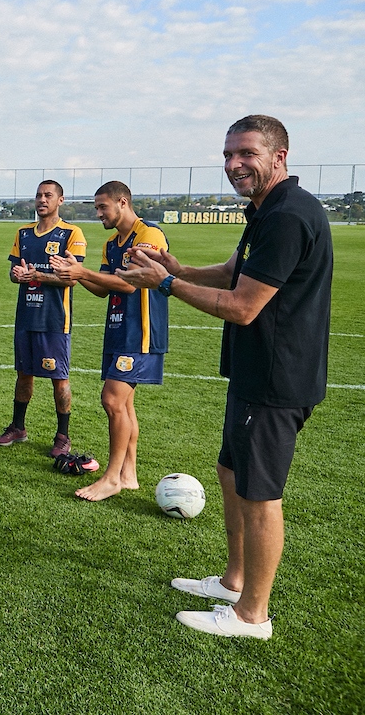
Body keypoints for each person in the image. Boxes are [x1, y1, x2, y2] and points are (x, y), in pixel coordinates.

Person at [119, 115, 332, 640]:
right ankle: (234, 583)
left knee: (260, 492)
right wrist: (178, 266)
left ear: (279, 156)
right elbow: (235, 269)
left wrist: (164, 282)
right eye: (228, 154)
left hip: (277, 378)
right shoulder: (265, 210)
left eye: (246, 154)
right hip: (254, 372)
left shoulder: (287, 216)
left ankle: (252, 616)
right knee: (230, 472)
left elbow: (242, 306)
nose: (234, 164)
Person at [50, 181, 169, 501]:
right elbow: (105, 289)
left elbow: (130, 284)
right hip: (118, 329)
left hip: (142, 331)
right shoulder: (112, 244)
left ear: (123, 203)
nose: (98, 213)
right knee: (124, 404)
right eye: (97, 207)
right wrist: (76, 276)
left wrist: (81, 272)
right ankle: (128, 475)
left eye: (103, 207)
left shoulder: (150, 235)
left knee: (113, 400)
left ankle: (112, 478)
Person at [0, 180, 87, 458]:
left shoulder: (71, 233)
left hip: (54, 321)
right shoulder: (23, 234)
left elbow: (72, 277)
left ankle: (63, 435)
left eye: (48, 195)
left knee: (59, 378)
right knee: (24, 374)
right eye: (38, 195)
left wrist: (37, 276)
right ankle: (18, 427)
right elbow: (14, 272)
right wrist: (18, 275)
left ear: (61, 200)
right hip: (26, 317)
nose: (42, 200)